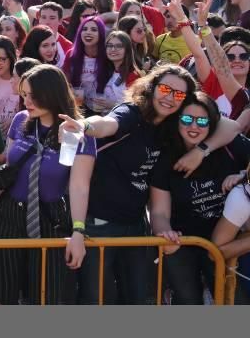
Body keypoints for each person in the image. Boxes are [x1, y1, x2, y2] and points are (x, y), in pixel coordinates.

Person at [60, 65, 241, 304]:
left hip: (135, 225)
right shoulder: (133, 113)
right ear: (152, 87)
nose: (169, 97)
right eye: (165, 88)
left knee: (137, 298)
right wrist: (85, 126)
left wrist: (201, 151)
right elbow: (108, 123)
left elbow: (232, 126)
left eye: (178, 94)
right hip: (98, 225)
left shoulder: (171, 128)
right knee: (97, 298)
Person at [0, 65, 95, 304]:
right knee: (1, 291)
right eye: (24, 95)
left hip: (51, 217)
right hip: (10, 214)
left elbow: (79, 186)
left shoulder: (77, 132)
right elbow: (9, 168)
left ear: (52, 93)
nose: (27, 101)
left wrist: (78, 232)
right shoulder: (20, 121)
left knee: (49, 294)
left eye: (33, 95)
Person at [149, 92, 250, 304]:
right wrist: (164, 233)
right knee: (188, 302)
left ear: (212, 122)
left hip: (227, 241)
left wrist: (242, 175)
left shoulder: (230, 146)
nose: (193, 126)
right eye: (187, 119)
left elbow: (234, 127)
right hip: (184, 241)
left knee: (235, 302)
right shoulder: (166, 156)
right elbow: (159, 212)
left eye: (202, 121)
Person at [63, 17, 110, 115]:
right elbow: (64, 81)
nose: (88, 32)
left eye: (94, 30)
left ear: (101, 34)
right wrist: (71, 91)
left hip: (102, 109)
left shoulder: (108, 55)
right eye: (84, 29)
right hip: (78, 108)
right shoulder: (71, 55)